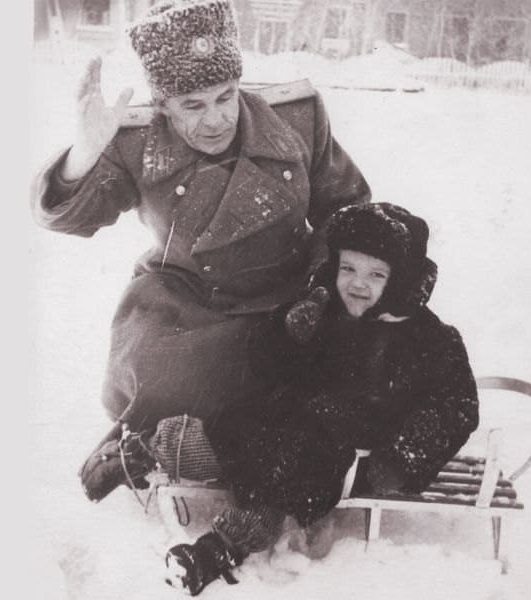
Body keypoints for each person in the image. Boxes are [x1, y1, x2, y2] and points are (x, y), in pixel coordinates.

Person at [31, 0, 371, 481]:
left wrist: (327, 291)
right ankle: (153, 439)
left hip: (289, 296)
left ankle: (205, 443)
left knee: (331, 380)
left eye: (225, 97)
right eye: (192, 105)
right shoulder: (136, 142)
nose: (215, 119)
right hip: (189, 306)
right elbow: (70, 218)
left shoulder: (297, 118)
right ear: (163, 105)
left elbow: (348, 212)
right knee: (172, 383)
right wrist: (82, 158)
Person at [149, 203, 479, 595]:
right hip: (279, 427)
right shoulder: (323, 309)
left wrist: (398, 461)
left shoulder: (431, 341)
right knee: (220, 432)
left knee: (287, 475)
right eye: (348, 268)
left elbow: (456, 408)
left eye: (376, 274)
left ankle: (220, 547)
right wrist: (287, 333)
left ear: (400, 281)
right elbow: (264, 365)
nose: (358, 284)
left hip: (345, 456)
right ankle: (151, 448)